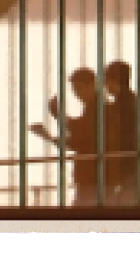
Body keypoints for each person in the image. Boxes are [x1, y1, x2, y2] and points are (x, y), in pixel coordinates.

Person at [31, 67, 100, 206]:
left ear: (92, 85)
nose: (77, 94)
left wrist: (57, 119)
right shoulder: (95, 107)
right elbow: (80, 133)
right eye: (75, 90)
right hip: (91, 177)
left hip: (93, 178)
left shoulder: (98, 108)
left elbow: (81, 139)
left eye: (79, 88)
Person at [104, 59, 140, 207]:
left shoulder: (122, 106)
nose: (105, 87)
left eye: (106, 81)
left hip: (131, 170)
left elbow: (119, 138)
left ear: (113, 81)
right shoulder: (136, 103)